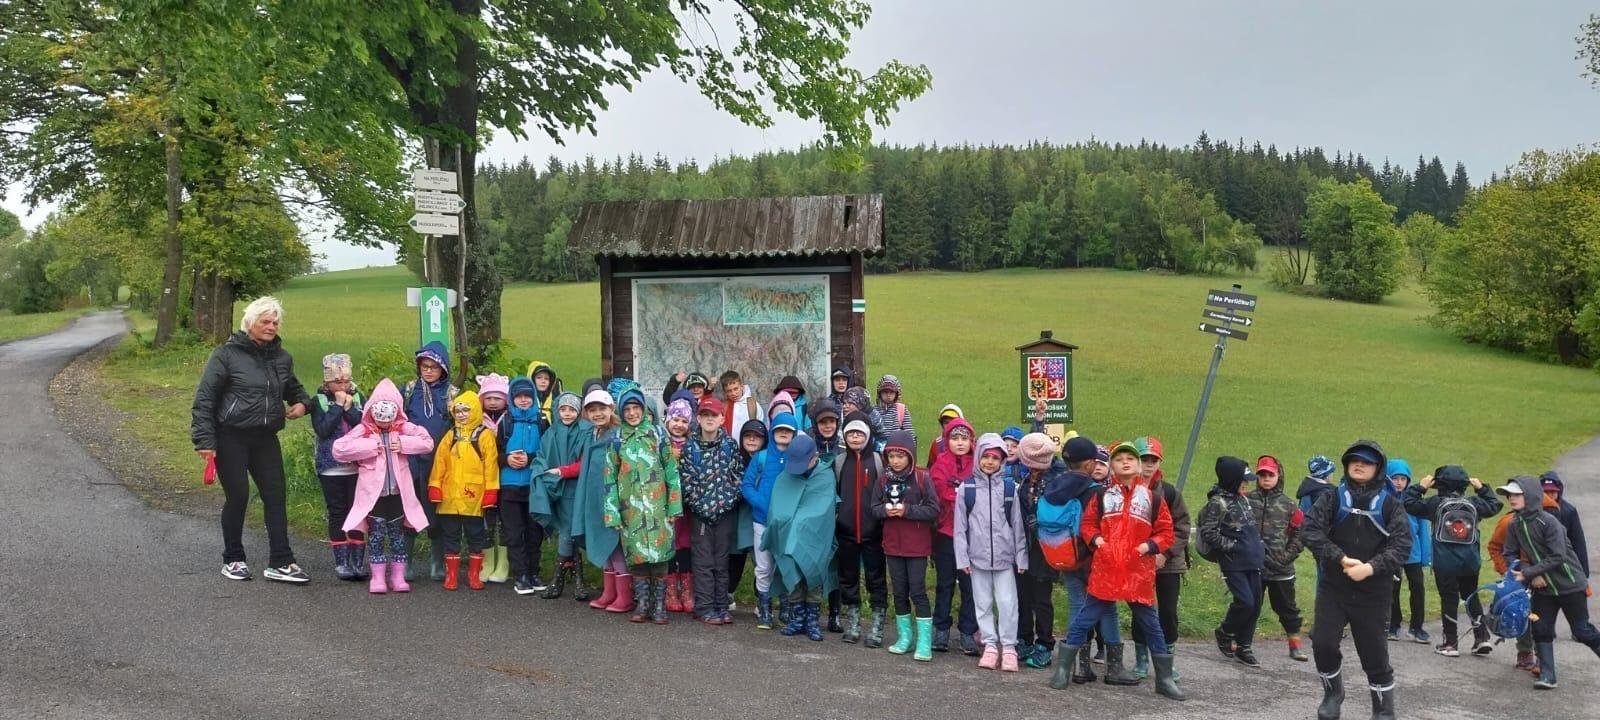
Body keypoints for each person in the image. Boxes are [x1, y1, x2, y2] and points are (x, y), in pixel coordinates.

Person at [191, 296, 313, 584]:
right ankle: (233, 559)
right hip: (230, 436)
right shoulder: (226, 355)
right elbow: (205, 398)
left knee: (275, 496)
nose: (271, 327)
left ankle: (281, 561)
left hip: (265, 437)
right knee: (239, 496)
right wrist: (205, 441)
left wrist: (302, 404)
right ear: (250, 323)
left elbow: (295, 390)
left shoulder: (282, 358)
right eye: (265, 321)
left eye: (275, 322)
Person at [1055, 439, 1182, 701]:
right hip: (1107, 570)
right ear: (1111, 466)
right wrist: (1097, 541)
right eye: (1119, 459)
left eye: (1130, 459)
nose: (1125, 462)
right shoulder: (1102, 496)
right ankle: (1063, 669)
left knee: (1152, 625)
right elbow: (1088, 525)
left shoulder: (1153, 499)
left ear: (1138, 466)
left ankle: (1164, 679)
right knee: (1084, 619)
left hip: (1138, 572)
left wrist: (1148, 546)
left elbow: (1166, 532)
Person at [1301, 439, 1410, 720]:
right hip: (1334, 588)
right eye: (1354, 460)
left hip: (1374, 593)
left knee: (1374, 655)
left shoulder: (1391, 505)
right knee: (1323, 643)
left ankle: (1383, 711)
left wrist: (1371, 568)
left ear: (1378, 468)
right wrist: (1339, 558)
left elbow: (1402, 547)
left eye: (1367, 461)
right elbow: (1309, 530)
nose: (1359, 465)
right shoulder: (1332, 498)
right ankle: (1333, 694)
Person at [331, 379, 435, 593]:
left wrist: (404, 444)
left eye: (389, 419)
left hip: (398, 494)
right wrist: (369, 446)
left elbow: (427, 442)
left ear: (396, 413)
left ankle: (398, 577)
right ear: (372, 412)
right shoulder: (363, 430)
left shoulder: (404, 428)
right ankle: (378, 578)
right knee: (376, 536)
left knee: (397, 536)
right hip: (373, 497)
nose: (384, 423)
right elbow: (339, 449)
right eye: (380, 418)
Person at [1498, 475, 1600, 690]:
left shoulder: (1549, 522)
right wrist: (1529, 573)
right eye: (1509, 495)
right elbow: (1509, 553)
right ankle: (1547, 676)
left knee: (1582, 631)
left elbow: (1558, 556)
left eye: (1516, 494)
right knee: (1541, 629)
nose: (1511, 499)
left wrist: (1529, 572)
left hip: (1570, 584)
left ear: (1531, 496)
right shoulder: (1515, 524)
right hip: (1543, 589)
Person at [1400, 464, 1501, 657]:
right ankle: (1482, 637)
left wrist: (1420, 487)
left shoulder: (1435, 503)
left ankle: (1450, 643)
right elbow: (1494, 505)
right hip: (1470, 561)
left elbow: (1408, 503)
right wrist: (1482, 488)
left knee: (1449, 599)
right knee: (1471, 596)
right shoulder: (1474, 504)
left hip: (1445, 562)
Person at [605, 381, 683, 624]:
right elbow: (609, 478)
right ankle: (642, 603)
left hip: (658, 508)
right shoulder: (617, 439)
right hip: (631, 510)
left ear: (644, 409)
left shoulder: (658, 435)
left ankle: (659, 605)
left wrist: (674, 505)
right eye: (627, 409)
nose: (632, 413)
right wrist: (612, 512)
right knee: (637, 556)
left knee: (660, 556)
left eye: (636, 408)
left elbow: (671, 472)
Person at [956, 434, 1029, 672]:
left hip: (1005, 558)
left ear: (1002, 461)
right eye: (985, 456)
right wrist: (962, 557)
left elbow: (1017, 525)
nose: (989, 462)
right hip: (977, 558)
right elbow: (960, 528)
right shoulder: (966, 489)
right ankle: (989, 644)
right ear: (978, 457)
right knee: (983, 603)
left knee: (1008, 603)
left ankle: (1008, 646)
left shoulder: (1009, 489)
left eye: (995, 458)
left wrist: (1021, 556)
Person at [874, 430, 940, 661]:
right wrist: (885, 510)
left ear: (910, 456)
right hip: (893, 545)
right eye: (891, 456)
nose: (895, 461)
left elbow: (933, 509)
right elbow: (874, 508)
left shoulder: (922, 477)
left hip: (917, 547)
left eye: (900, 456)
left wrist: (907, 510)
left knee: (918, 591)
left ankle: (924, 641)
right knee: (899, 592)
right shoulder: (883, 480)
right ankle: (905, 637)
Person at [766, 432, 838, 642]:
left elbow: (822, 509)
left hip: (815, 538)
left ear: (815, 457)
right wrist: (783, 523)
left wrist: (800, 525)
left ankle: (812, 621)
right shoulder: (785, 476)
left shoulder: (825, 476)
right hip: (788, 538)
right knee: (793, 575)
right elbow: (778, 507)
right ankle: (797, 619)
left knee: (812, 574)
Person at [426, 391, 500, 591]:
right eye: (457, 411)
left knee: (475, 536)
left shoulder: (485, 435)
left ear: (475, 410)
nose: (461, 414)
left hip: (473, 498)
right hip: (449, 497)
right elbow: (439, 463)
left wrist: (491, 491)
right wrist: (435, 485)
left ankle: (474, 575)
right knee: (451, 536)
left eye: (466, 410)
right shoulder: (450, 435)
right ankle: (451, 575)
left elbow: (491, 466)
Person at [1130, 436, 1189, 682]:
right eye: (1144, 459)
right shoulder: (1126, 490)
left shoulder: (1170, 493)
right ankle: (1141, 660)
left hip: (1168, 563)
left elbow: (1182, 527)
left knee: (1167, 612)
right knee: (1141, 611)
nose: (1148, 464)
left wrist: (1165, 553)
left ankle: (1166, 662)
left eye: (1153, 460)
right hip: (1138, 561)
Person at [1198, 456, 1267, 668]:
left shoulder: (1243, 500)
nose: (1247, 483)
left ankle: (1244, 646)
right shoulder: (1217, 503)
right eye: (1243, 480)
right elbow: (1208, 532)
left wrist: (1259, 548)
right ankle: (1225, 632)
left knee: (1255, 605)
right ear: (1231, 480)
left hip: (1253, 560)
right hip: (1234, 562)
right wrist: (1232, 547)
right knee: (1245, 601)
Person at [680, 396, 741, 624]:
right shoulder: (690, 447)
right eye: (705, 415)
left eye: (713, 415)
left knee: (721, 562)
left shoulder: (730, 446)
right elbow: (686, 481)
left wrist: (727, 502)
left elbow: (738, 477)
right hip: (700, 515)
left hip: (725, 512)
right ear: (698, 419)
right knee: (703, 562)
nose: (709, 419)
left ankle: (721, 606)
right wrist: (702, 507)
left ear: (722, 419)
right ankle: (704, 607)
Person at [574, 389, 632, 613]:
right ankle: (609, 592)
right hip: (594, 496)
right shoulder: (592, 434)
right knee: (601, 541)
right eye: (592, 410)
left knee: (614, 545)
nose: (597, 414)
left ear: (612, 409)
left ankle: (624, 596)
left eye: (602, 409)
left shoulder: (618, 435)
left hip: (612, 498)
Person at [310, 353, 367, 581]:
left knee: (357, 511)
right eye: (337, 382)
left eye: (345, 381)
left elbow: (363, 425)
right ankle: (341, 562)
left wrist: (350, 408)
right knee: (337, 512)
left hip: (357, 466)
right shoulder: (319, 401)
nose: (342, 386)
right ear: (327, 382)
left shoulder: (358, 397)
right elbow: (323, 429)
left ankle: (357, 561)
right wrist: (338, 406)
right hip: (330, 467)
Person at [404, 341, 458, 581]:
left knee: (437, 512)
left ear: (443, 368)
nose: (428, 371)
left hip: (439, 463)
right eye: (424, 366)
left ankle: (438, 563)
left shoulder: (451, 394)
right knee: (409, 510)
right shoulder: (409, 389)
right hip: (411, 461)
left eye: (433, 367)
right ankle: (405, 562)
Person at [1246, 454, 1307, 661]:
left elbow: (1301, 533)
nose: (1266, 479)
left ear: (1278, 475)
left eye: (1270, 475)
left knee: (1287, 608)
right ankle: (1242, 643)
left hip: (1281, 568)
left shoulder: (1289, 505)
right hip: (1253, 566)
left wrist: (1287, 556)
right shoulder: (1247, 501)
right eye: (1262, 474)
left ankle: (1295, 645)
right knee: (1249, 605)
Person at [930, 418, 981, 655]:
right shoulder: (940, 464)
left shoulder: (978, 464)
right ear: (947, 440)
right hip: (946, 533)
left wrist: (958, 493)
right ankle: (941, 628)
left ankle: (968, 631)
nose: (960, 443)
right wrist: (960, 495)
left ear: (971, 441)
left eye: (964, 438)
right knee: (945, 583)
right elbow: (938, 491)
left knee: (970, 586)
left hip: (972, 536)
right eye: (955, 438)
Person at [834, 417, 888, 645]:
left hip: (873, 532)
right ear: (845, 437)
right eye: (851, 434)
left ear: (867, 436)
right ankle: (853, 622)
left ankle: (877, 625)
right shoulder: (839, 462)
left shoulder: (877, 461)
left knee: (876, 578)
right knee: (848, 578)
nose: (855, 437)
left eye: (859, 434)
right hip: (845, 532)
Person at [531, 392, 589, 600]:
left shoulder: (585, 431)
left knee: (569, 532)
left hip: (577, 489)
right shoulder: (551, 432)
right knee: (567, 532)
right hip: (557, 489)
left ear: (578, 412)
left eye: (572, 409)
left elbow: (586, 462)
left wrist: (562, 471)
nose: (567, 413)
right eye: (563, 409)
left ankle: (559, 581)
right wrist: (541, 471)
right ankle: (577, 582)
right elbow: (542, 456)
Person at [743, 412, 798, 628]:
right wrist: (761, 503)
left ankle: (786, 607)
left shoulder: (798, 459)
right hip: (762, 521)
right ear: (772, 432)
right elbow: (747, 485)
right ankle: (764, 609)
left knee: (785, 566)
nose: (783, 433)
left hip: (788, 524)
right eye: (779, 429)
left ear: (794, 434)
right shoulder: (762, 457)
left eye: (788, 431)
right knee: (764, 567)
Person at [1014, 430, 1063, 670]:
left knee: (1042, 599)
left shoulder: (1057, 480)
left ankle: (1044, 642)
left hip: (1046, 547)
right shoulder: (1028, 479)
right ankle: (1024, 638)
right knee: (1023, 596)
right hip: (1025, 545)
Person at [498, 377, 549, 595]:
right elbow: (494, 452)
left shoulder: (542, 421)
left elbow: (548, 452)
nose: (524, 400)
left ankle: (534, 572)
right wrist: (507, 459)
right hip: (509, 486)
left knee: (534, 532)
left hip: (534, 485)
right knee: (514, 533)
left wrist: (530, 458)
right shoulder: (505, 422)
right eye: (519, 396)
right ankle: (521, 575)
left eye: (528, 396)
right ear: (512, 398)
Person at [1384, 459, 1431, 645]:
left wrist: (1426, 556)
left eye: (1403, 479)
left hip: (1413, 551)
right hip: (1391, 550)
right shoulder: (1383, 498)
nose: (1399, 482)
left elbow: (1423, 529)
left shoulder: (1414, 500)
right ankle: (1393, 624)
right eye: (1395, 478)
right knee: (1392, 588)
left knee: (1417, 587)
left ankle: (1417, 627)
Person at [476, 374, 513, 585]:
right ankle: (488, 561)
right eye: (488, 398)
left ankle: (503, 562)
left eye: (497, 398)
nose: (492, 402)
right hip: (483, 476)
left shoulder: (510, 418)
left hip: (505, 473)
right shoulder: (477, 419)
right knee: (486, 519)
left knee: (504, 519)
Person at [728, 418, 767, 615]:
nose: (751, 440)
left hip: (760, 515)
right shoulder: (735, 459)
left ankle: (762, 599)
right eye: (747, 436)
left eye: (757, 437)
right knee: (734, 557)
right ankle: (728, 593)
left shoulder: (767, 460)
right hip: (739, 516)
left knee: (761, 560)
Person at [662, 396, 697, 614]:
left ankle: (686, 589)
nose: (679, 425)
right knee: (669, 543)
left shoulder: (692, 444)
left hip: (686, 504)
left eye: (684, 421)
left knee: (685, 542)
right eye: (675, 420)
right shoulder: (661, 443)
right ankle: (670, 589)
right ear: (668, 420)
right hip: (666, 503)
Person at [718, 370, 765, 437]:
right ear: (725, 392)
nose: (733, 393)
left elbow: (760, 427)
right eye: (729, 391)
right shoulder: (723, 406)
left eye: (736, 389)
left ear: (742, 386)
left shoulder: (752, 405)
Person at [874, 375, 915, 450]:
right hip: (877, 449)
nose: (888, 395)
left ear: (897, 393)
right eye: (885, 392)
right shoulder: (874, 410)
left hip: (897, 450)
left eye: (892, 392)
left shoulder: (901, 409)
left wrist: (910, 449)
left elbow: (909, 434)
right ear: (879, 393)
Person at [525, 361, 563, 427]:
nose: (543, 381)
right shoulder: (524, 400)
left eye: (546, 378)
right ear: (531, 379)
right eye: (539, 377)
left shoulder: (555, 400)